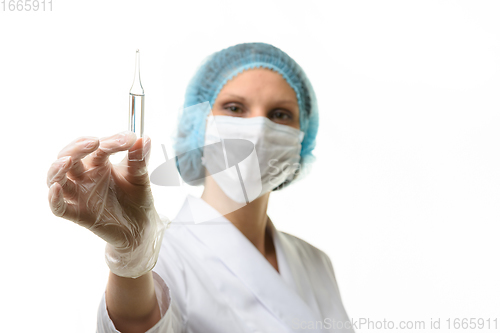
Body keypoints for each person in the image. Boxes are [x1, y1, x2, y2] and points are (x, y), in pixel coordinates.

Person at [47, 42, 354, 333]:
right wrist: (131, 262)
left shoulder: (315, 261)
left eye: (280, 114)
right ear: (198, 127)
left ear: (303, 137)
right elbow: (138, 324)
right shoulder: (159, 253)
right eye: (234, 108)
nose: (259, 129)